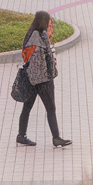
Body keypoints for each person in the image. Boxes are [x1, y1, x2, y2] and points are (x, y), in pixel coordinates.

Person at [16, 10, 71, 148]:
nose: (50, 26)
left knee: (27, 107)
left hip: (32, 78)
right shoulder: (38, 37)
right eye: (49, 23)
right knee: (51, 108)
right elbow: (39, 61)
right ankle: (56, 138)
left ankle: (21, 136)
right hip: (41, 80)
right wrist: (46, 78)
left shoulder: (34, 34)